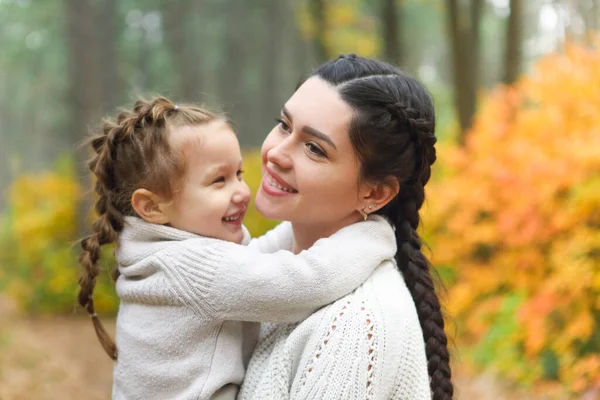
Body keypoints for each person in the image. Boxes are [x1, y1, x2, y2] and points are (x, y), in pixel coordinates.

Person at [76, 96, 395, 399]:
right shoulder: (192, 268)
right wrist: (374, 233)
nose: (241, 191)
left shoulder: (165, 254)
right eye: (219, 180)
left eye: (239, 173)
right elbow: (305, 283)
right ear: (153, 207)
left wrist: (313, 216)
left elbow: (253, 257)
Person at [236, 55, 453, 400]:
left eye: (314, 148)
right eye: (284, 125)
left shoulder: (355, 325)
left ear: (375, 192)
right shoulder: (269, 274)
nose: (277, 152)